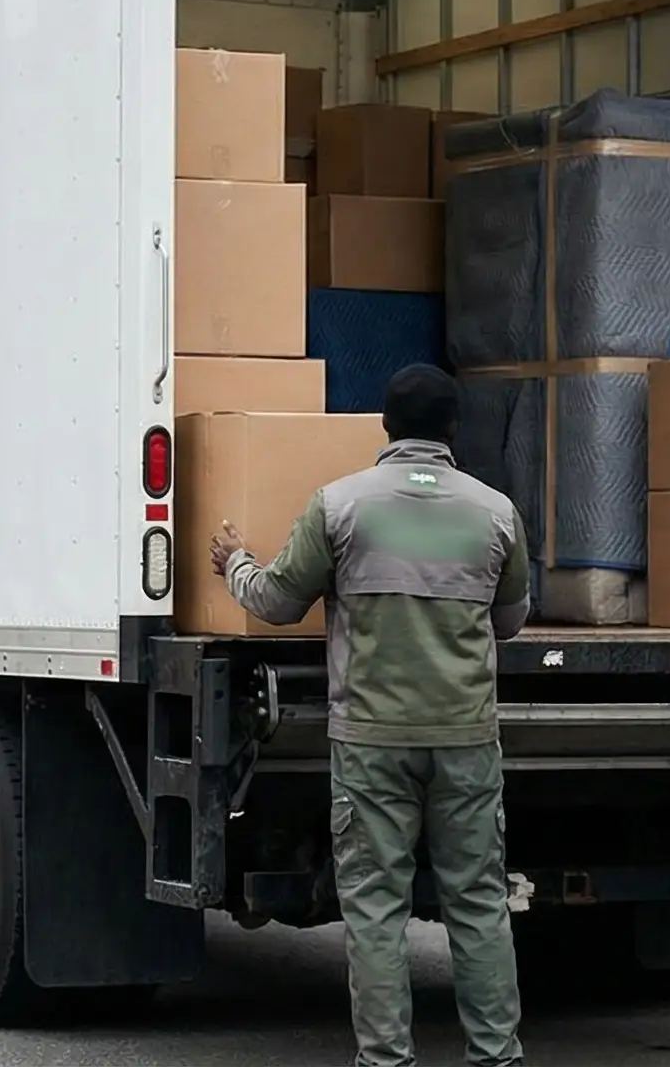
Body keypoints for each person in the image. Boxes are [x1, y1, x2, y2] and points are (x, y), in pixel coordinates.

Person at [209, 363, 529, 1067]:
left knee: (376, 910)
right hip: (467, 741)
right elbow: (510, 621)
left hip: (371, 745)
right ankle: (496, 1057)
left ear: (384, 428)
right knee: (478, 905)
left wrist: (234, 563)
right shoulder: (496, 513)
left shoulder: (341, 506)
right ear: (452, 430)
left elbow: (275, 603)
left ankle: (385, 1060)